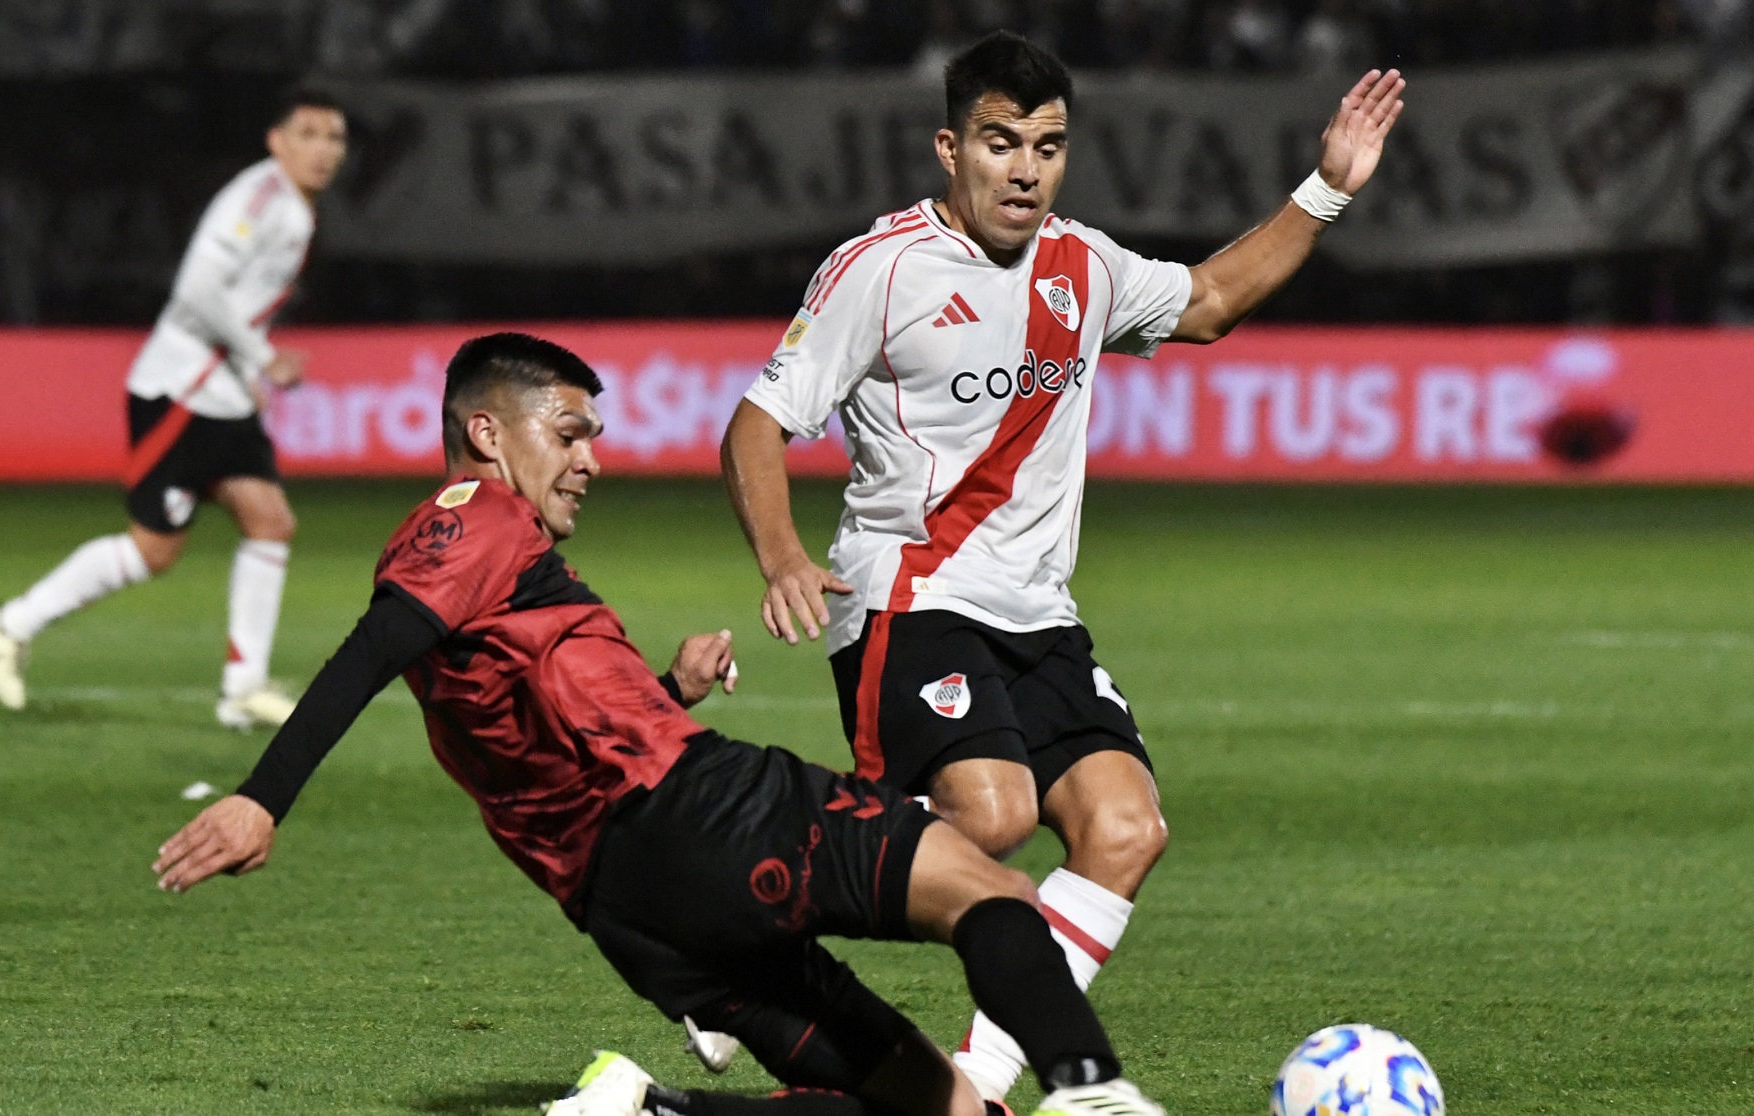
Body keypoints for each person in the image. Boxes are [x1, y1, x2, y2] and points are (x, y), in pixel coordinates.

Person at [151, 333, 1172, 1116]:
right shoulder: (473, 516)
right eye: (568, 432)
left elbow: (535, 727)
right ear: (487, 434)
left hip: (629, 911)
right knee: (990, 888)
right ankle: (1090, 1088)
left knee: (936, 1104)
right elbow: (375, 648)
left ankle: (649, 1107)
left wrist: (666, 690)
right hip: (702, 810)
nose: (591, 458)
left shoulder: (490, 572)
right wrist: (259, 799)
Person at [719, 30, 1403, 1100]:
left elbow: (1212, 301)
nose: (1026, 169)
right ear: (951, 148)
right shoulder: (880, 271)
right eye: (1001, 143)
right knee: (990, 819)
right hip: (913, 594)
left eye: (1048, 145)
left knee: (1127, 829)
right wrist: (782, 558)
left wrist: (1325, 189)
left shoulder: (1082, 265)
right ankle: (750, 926)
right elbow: (758, 424)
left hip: (1038, 615)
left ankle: (977, 1079)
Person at [0, 87, 348, 729]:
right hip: (181, 390)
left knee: (269, 522)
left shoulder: (292, 204)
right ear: (276, 140)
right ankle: (12, 623)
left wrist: (247, 369)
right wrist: (261, 359)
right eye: (308, 134)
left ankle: (243, 689)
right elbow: (198, 288)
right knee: (154, 549)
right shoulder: (259, 200)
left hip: (219, 390)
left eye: (335, 137)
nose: (323, 150)